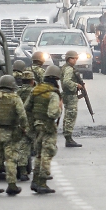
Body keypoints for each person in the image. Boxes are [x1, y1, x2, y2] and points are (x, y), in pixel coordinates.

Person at [26, 64, 62, 194]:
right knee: (47, 153)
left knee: (39, 154)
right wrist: (59, 109)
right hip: (48, 127)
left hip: (37, 126)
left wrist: (32, 124)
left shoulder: (35, 90)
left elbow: (27, 108)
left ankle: (35, 181)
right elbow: (53, 113)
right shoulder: (53, 93)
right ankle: (42, 182)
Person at [14, 69, 37, 181]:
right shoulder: (35, 92)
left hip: (20, 123)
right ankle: (41, 173)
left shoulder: (16, 93)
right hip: (34, 123)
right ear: (32, 81)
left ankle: (22, 172)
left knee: (23, 147)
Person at [60, 50, 82, 148]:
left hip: (68, 94)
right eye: (74, 58)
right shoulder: (69, 69)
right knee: (71, 115)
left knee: (68, 115)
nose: (75, 60)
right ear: (69, 59)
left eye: (76, 58)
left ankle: (68, 136)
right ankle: (68, 138)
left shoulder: (67, 67)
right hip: (70, 95)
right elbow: (66, 81)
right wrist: (76, 85)